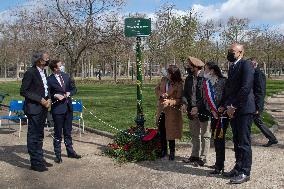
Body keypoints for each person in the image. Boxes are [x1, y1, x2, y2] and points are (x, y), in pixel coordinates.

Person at [220, 43, 255, 184]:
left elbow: (245, 88)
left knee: (244, 142)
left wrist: (233, 106)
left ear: (241, 52)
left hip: (244, 109)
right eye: (229, 51)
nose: (230, 53)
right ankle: (238, 167)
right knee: (236, 141)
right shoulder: (232, 66)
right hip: (233, 110)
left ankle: (245, 172)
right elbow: (230, 89)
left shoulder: (246, 64)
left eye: (232, 51)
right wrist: (225, 105)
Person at [20, 51, 52, 172]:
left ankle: (39, 158)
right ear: (39, 60)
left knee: (40, 135)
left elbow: (45, 88)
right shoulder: (30, 72)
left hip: (43, 108)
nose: (48, 60)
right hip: (34, 108)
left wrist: (48, 99)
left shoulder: (43, 72)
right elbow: (24, 91)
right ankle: (35, 162)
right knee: (33, 136)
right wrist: (40, 100)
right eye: (46, 58)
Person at [47, 60, 81, 164]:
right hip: (57, 110)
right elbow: (47, 93)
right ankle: (57, 155)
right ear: (55, 69)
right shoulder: (49, 79)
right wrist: (54, 96)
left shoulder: (66, 76)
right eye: (60, 66)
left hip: (68, 109)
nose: (62, 67)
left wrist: (69, 92)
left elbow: (74, 89)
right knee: (57, 133)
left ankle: (70, 152)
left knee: (68, 131)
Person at [182, 56, 211, 166]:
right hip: (191, 111)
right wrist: (184, 104)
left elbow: (207, 97)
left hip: (203, 111)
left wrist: (197, 107)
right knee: (194, 135)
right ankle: (194, 156)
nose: (188, 67)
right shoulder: (189, 78)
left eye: (190, 66)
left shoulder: (205, 78)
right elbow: (185, 93)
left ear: (196, 67)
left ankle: (203, 158)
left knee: (205, 135)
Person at [202, 61, 229, 175]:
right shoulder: (207, 83)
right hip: (213, 114)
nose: (205, 71)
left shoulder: (223, 81)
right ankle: (219, 163)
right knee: (216, 139)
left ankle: (219, 166)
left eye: (206, 69)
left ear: (212, 70)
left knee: (219, 139)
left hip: (223, 115)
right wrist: (212, 110)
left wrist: (222, 107)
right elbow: (205, 99)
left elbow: (227, 96)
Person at [155, 65, 183, 160]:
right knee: (161, 129)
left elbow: (179, 100)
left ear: (173, 74)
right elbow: (157, 89)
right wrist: (161, 95)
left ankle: (172, 151)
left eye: (168, 73)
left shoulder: (179, 83)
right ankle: (163, 150)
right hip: (161, 109)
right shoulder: (163, 80)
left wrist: (170, 102)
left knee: (171, 131)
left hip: (172, 111)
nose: (166, 74)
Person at [248, 57, 278, 147]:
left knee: (251, 122)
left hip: (255, 104)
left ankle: (245, 142)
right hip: (253, 103)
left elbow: (260, 92)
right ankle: (272, 138)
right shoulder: (254, 73)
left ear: (254, 64)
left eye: (250, 64)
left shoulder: (258, 74)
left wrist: (258, 107)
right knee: (256, 121)